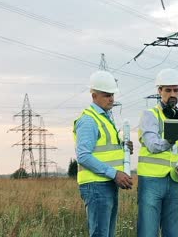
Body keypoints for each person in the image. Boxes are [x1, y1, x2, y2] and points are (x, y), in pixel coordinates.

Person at [74, 70, 134, 237]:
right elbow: (83, 155)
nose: (112, 99)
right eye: (107, 95)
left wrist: (124, 148)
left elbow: (106, 150)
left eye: (112, 95)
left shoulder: (105, 118)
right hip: (96, 185)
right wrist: (114, 174)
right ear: (94, 96)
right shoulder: (89, 120)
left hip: (106, 184)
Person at [137, 68, 178, 237]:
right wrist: (171, 139)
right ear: (159, 91)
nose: (172, 94)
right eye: (168, 90)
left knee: (174, 233)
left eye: (176, 90)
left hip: (175, 181)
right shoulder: (150, 115)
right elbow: (153, 146)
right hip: (151, 181)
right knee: (148, 232)